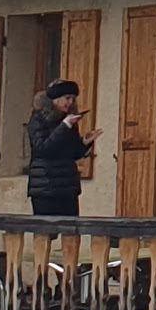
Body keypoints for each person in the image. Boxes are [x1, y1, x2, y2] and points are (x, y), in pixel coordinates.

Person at [23, 80, 93, 219]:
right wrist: (64, 126)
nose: (70, 102)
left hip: (68, 188)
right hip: (45, 187)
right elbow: (43, 148)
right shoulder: (39, 119)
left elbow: (72, 153)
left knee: (71, 228)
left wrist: (85, 142)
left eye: (73, 99)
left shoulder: (68, 121)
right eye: (67, 98)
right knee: (46, 229)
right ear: (55, 99)